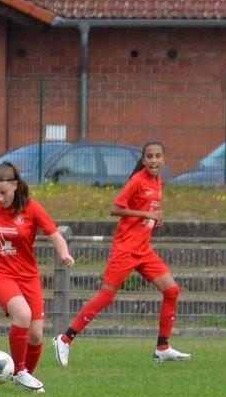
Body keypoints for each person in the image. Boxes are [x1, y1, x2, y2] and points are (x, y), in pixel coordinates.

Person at [53, 141, 189, 365]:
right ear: (143, 160)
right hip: (125, 249)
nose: (154, 161)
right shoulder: (137, 181)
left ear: (164, 160)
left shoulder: (158, 182)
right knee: (106, 296)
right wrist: (146, 214)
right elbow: (115, 208)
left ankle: (162, 347)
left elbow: (147, 214)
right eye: (150, 157)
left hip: (143, 250)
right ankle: (65, 339)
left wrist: (153, 221)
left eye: (158, 156)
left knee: (172, 290)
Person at [0, 161, 74, 393]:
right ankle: (19, 371)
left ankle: (25, 375)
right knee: (23, 315)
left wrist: (64, 254)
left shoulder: (32, 208)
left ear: (15, 186)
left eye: (3, 193)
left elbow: (55, 234)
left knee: (36, 335)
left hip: (28, 276)